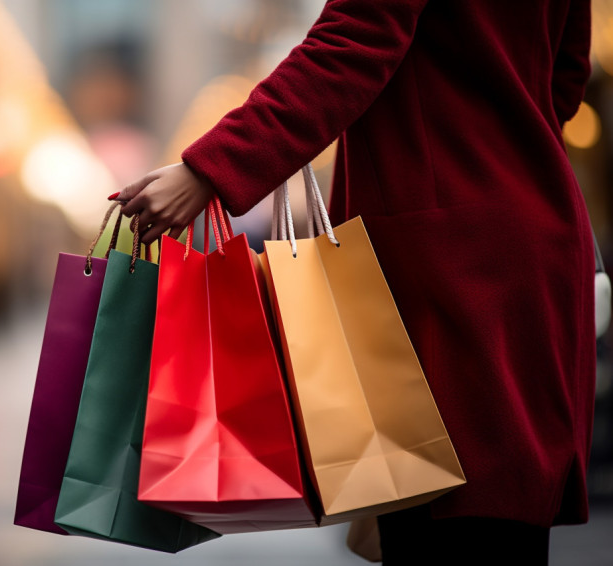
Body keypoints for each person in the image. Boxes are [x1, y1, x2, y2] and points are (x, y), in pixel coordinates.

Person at [113, 1, 595, 564]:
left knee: (443, 520)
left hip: (443, 262)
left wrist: (211, 169)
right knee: (502, 521)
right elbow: (566, 77)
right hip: (534, 237)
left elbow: (352, 44)